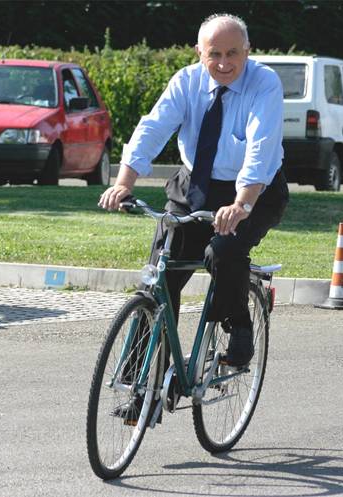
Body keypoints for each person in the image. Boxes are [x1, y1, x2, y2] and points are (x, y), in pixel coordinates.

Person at [99, 13, 288, 368]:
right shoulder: (186, 82)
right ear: (199, 52)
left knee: (223, 251)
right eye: (214, 54)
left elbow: (260, 147)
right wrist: (124, 182)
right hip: (195, 185)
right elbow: (152, 128)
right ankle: (141, 378)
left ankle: (239, 329)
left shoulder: (264, 83)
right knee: (159, 275)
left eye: (233, 53)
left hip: (255, 190)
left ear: (248, 51)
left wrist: (241, 203)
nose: (224, 63)